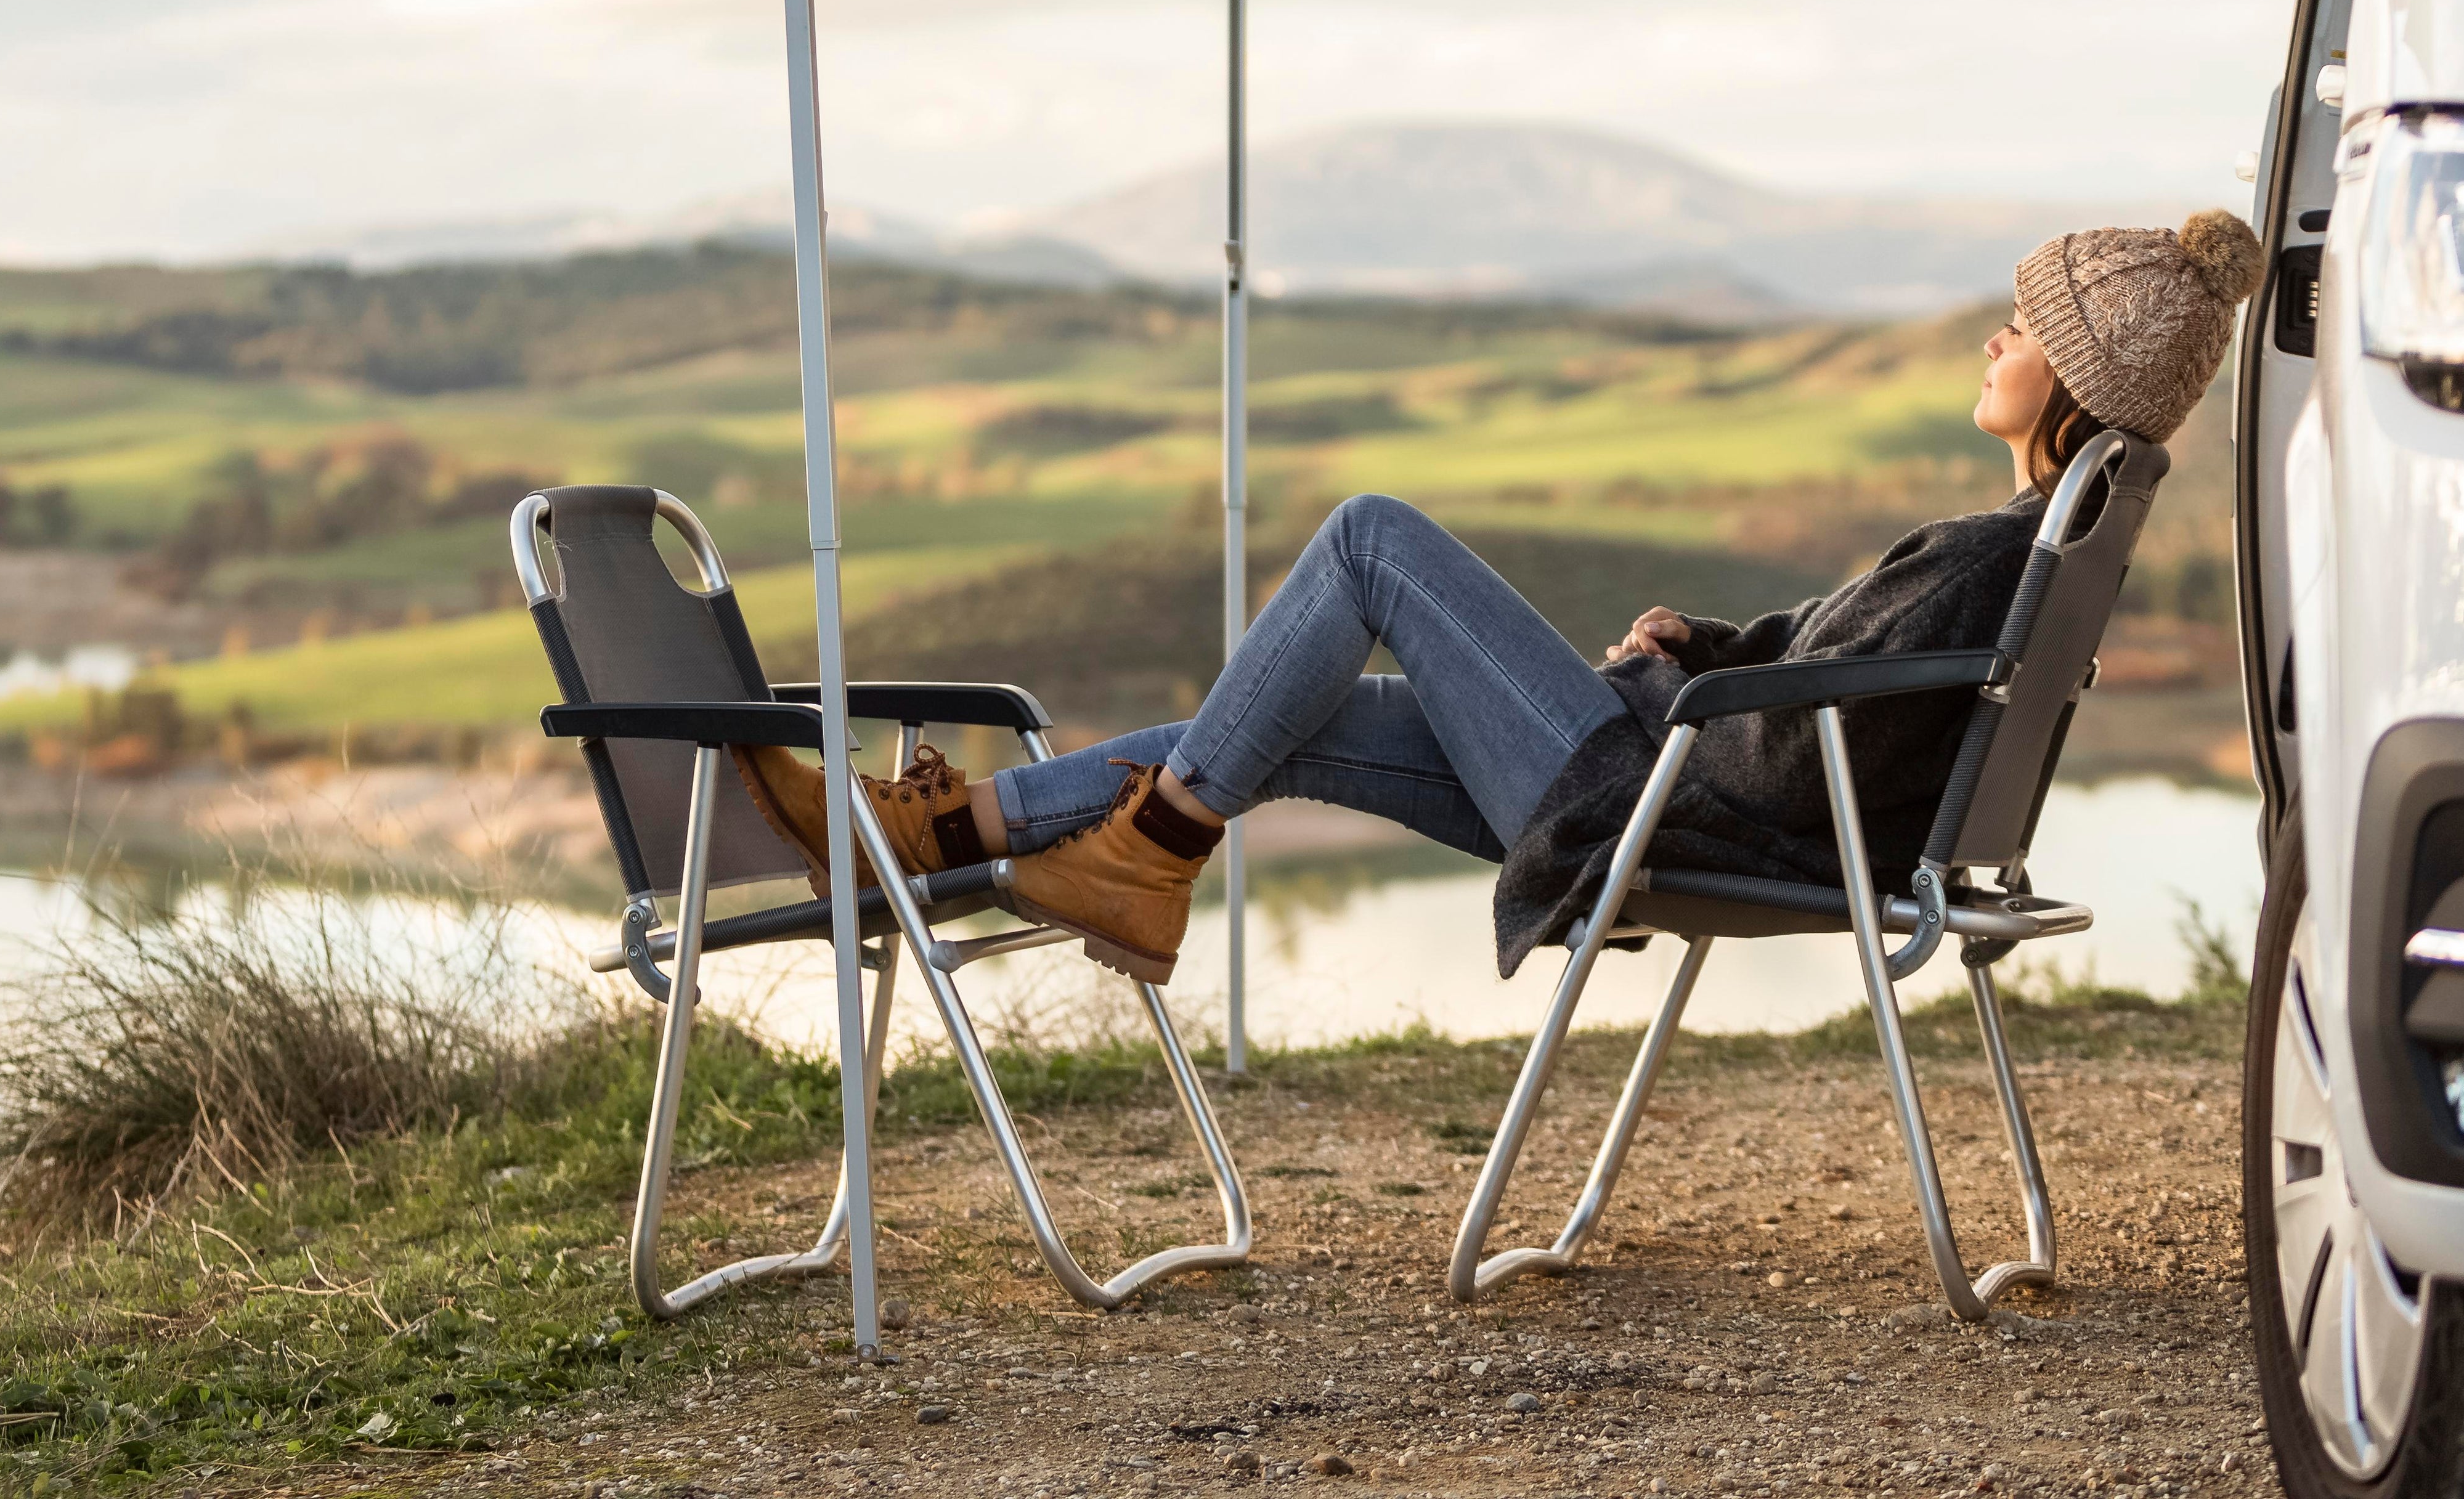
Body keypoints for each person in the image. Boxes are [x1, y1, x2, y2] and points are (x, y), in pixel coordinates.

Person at [731, 209, 2266, 985]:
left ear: (2079, 375)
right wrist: (1705, 644)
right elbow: (1830, 688)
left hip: (1650, 801)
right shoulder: (2033, 545)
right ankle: (941, 837)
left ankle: (1153, 846)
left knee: (1370, 541)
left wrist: (1674, 691)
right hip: (1666, 776)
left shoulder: (1990, 556)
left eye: (2020, 325)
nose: (1991, 341)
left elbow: (1797, 755)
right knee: (1296, 713)